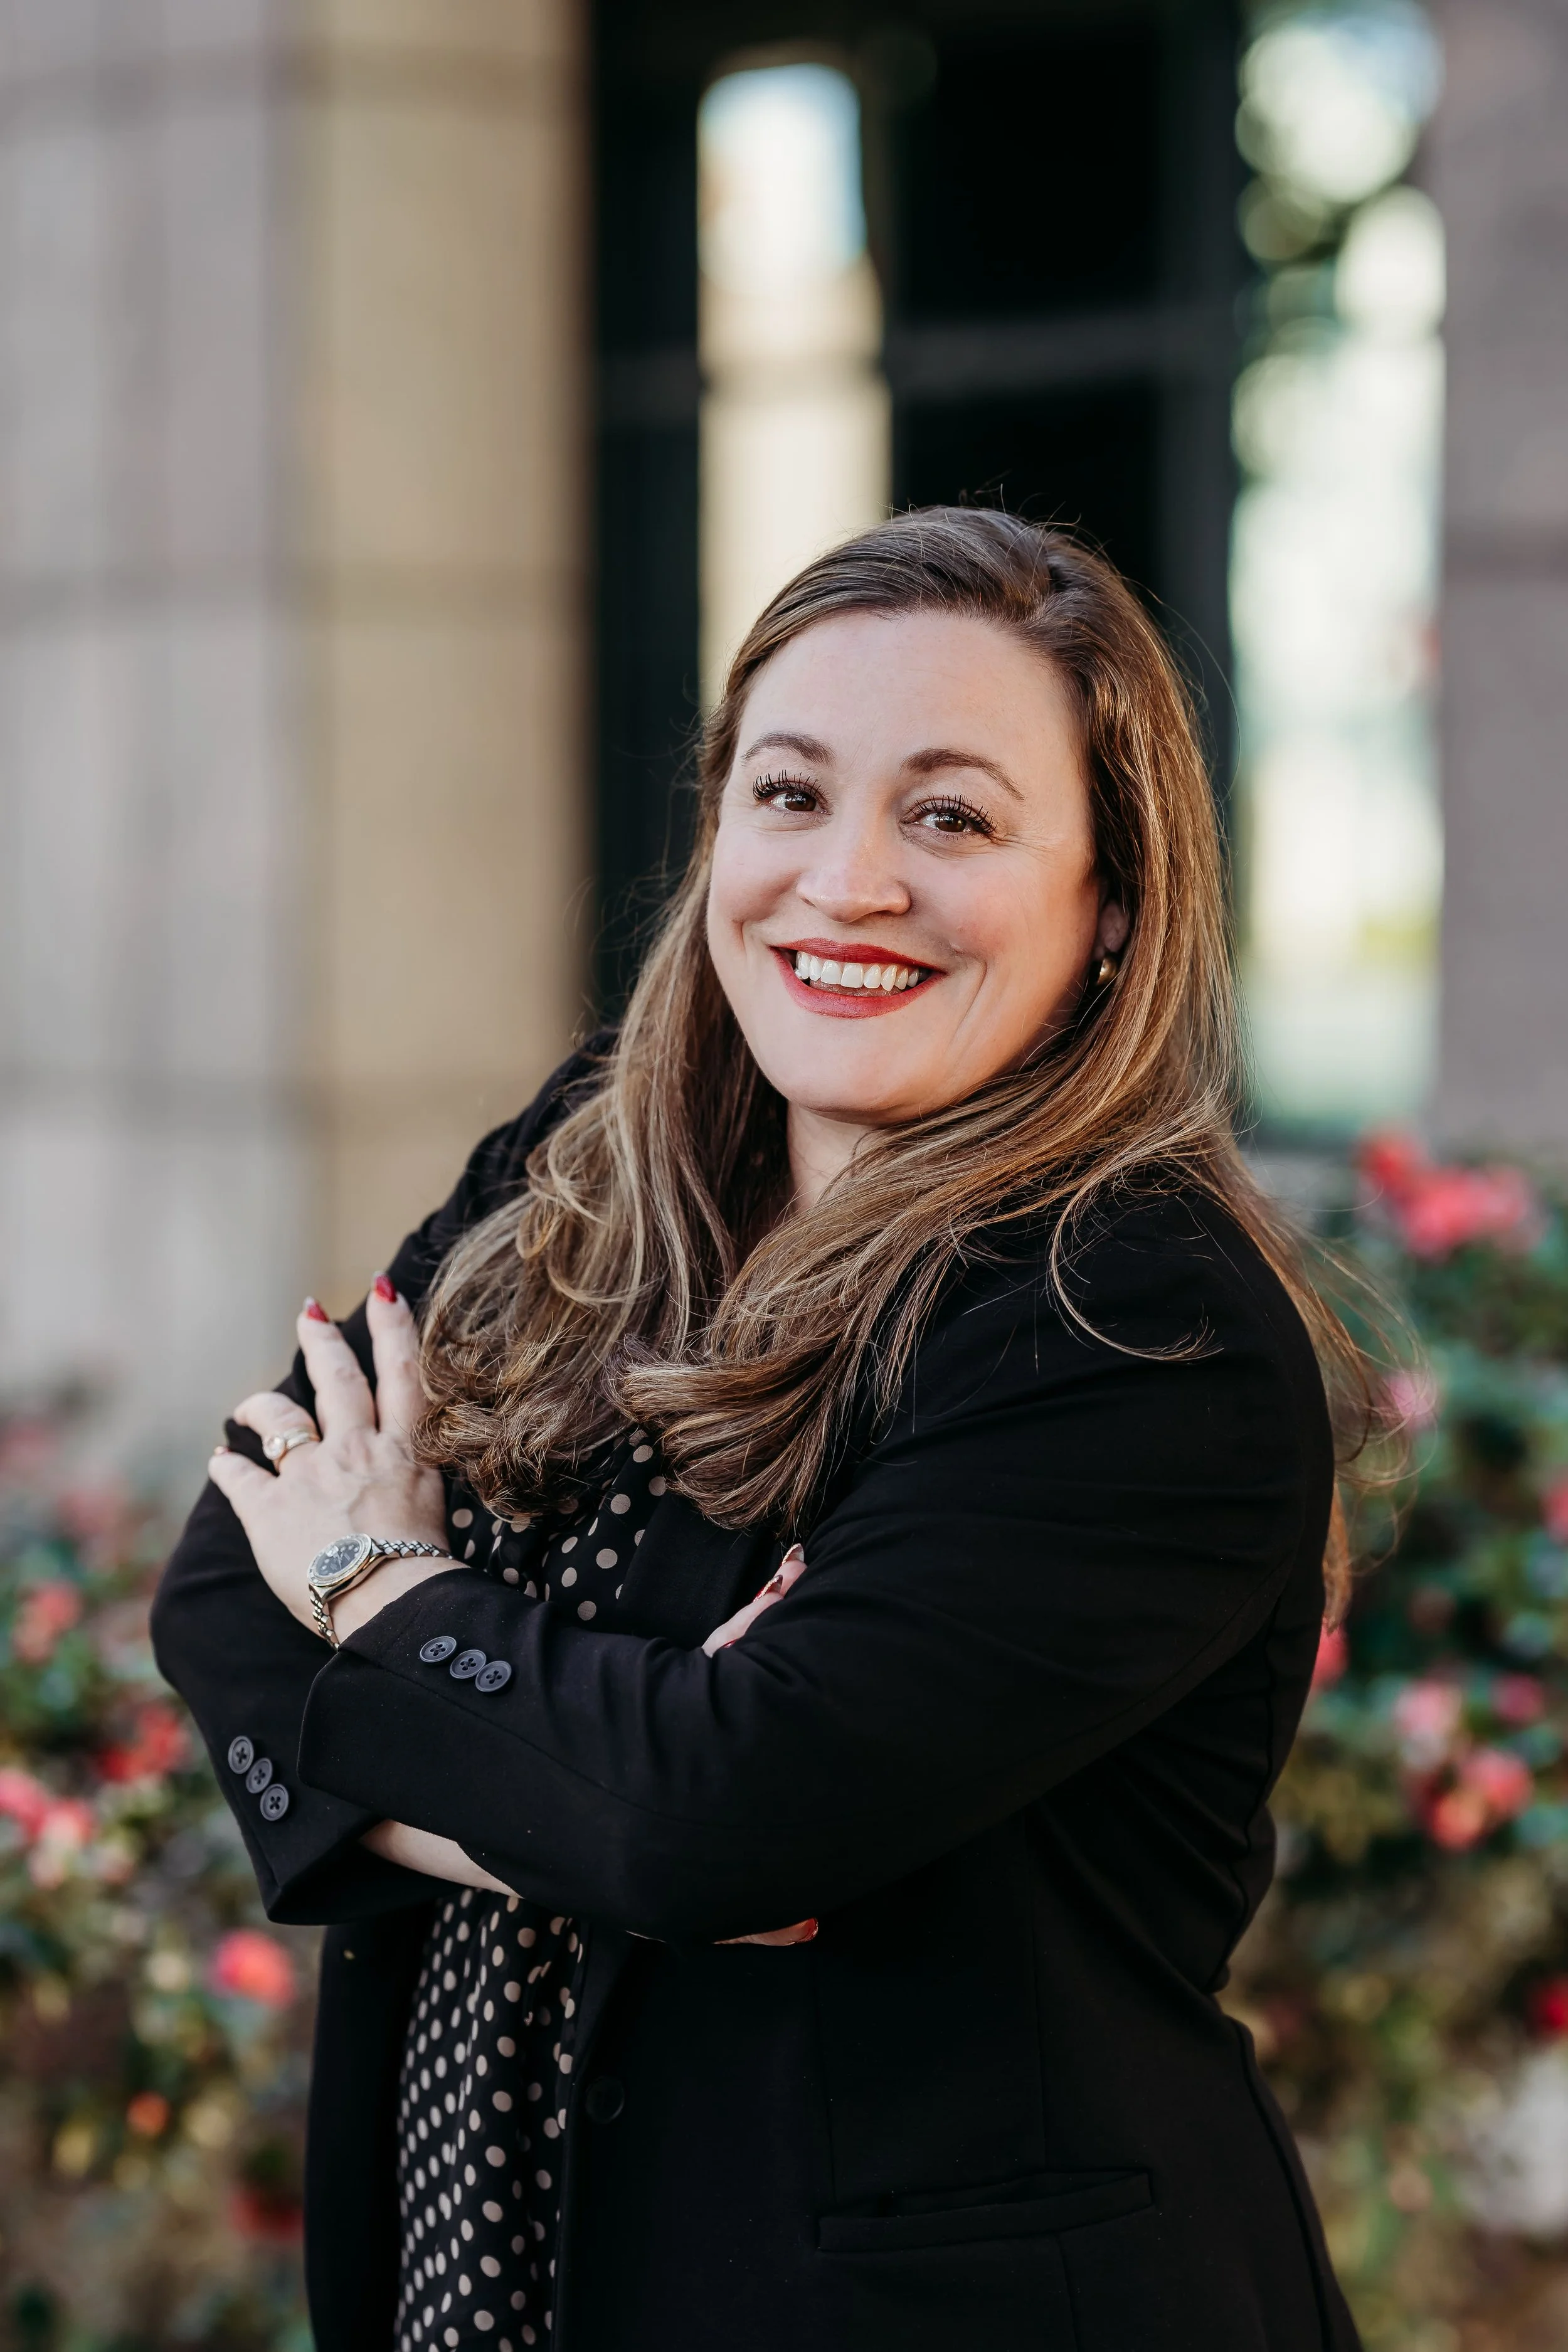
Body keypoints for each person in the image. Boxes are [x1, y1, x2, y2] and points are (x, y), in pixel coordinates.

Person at [153, 509, 1372, 2352]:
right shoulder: (573, 1173)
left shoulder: (1131, 1319)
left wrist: (381, 1585)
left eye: (950, 816)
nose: (847, 880)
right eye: (790, 794)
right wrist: (589, 1794)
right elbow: (224, 1600)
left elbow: (713, 1811)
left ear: (1112, 902)